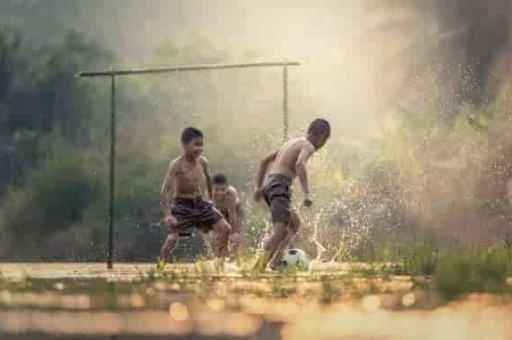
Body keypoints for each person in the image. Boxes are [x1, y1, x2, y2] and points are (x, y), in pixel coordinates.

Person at [253, 118, 331, 272]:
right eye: (325, 139)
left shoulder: (292, 142)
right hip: (280, 185)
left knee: (294, 223)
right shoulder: (308, 146)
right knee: (279, 231)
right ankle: (257, 268)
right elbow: (299, 164)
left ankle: (275, 262)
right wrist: (307, 193)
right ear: (321, 136)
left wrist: (259, 187)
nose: (323, 144)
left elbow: (264, 161)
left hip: (270, 184)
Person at [157, 127, 231, 271]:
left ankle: (220, 266)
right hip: (182, 206)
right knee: (172, 239)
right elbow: (164, 191)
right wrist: (168, 215)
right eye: (196, 144)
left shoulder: (202, 162)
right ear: (184, 145)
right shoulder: (176, 165)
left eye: (201, 145)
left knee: (225, 229)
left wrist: (210, 200)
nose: (199, 148)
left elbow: (209, 178)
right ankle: (159, 268)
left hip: (200, 203)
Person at [211, 173, 243, 257]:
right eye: (216, 190)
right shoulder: (209, 196)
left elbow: (232, 213)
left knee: (235, 236)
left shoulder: (231, 193)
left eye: (223, 189)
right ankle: (219, 256)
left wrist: (234, 232)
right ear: (212, 188)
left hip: (235, 210)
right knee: (216, 236)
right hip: (219, 211)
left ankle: (235, 255)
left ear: (227, 188)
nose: (220, 193)